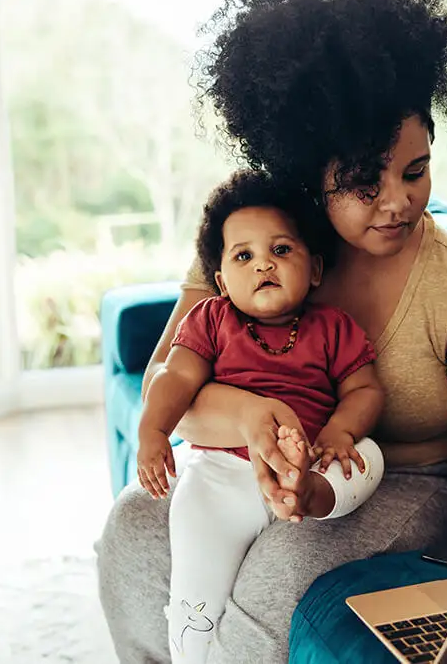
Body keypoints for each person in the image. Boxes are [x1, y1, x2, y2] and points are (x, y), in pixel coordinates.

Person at [97, 0, 447, 661]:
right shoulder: (252, 245)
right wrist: (256, 420)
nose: (399, 201)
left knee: (280, 570)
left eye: (416, 170)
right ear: (309, 172)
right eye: (366, 184)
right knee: (133, 529)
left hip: (402, 480)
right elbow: (171, 394)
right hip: (237, 461)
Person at [137, 168, 388, 663]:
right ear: (221, 282)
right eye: (244, 256)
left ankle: (307, 496)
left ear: (315, 269)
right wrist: (153, 430)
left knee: (370, 457)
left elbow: (365, 390)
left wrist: (341, 430)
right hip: (223, 475)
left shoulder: (332, 327)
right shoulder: (210, 320)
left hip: (312, 458)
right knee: (195, 599)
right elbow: (175, 378)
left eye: (281, 250)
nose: (263, 266)